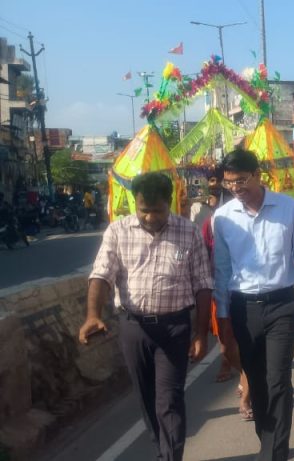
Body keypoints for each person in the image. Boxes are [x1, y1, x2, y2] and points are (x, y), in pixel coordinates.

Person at [78, 172, 213, 461]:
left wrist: (201, 333)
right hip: (134, 328)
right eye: (144, 210)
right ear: (135, 203)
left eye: (158, 210)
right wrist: (92, 315)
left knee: (169, 399)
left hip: (174, 329)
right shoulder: (118, 231)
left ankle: (170, 457)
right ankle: (162, 450)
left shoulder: (189, 232)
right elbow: (101, 274)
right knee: (146, 398)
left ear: (170, 202)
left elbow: (203, 285)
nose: (150, 217)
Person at [212, 149, 294, 461]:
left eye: (241, 180)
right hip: (243, 309)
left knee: (278, 379)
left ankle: (275, 453)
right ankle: (268, 441)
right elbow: (222, 270)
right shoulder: (223, 217)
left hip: (282, 306)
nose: (236, 188)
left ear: (258, 175)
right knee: (256, 381)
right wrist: (223, 319)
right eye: (229, 183)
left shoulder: (288, 208)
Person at [201, 188, 252, 420]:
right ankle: (240, 370)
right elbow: (203, 254)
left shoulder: (253, 220)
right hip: (220, 290)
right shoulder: (213, 222)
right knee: (227, 347)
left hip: (247, 292)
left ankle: (247, 395)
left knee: (248, 346)